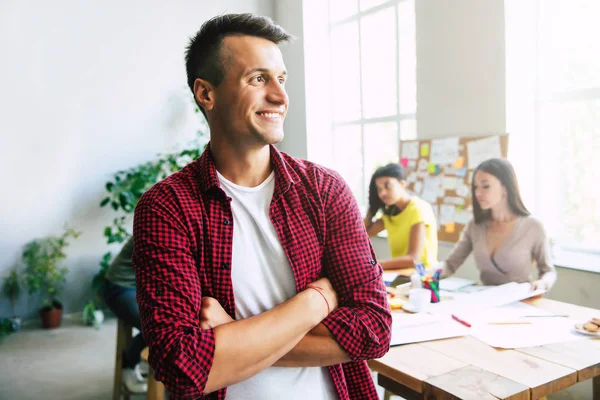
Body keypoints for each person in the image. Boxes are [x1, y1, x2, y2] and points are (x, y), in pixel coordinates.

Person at [132, 13, 391, 400]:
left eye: (281, 79)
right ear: (206, 93)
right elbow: (180, 365)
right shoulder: (167, 207)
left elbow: (374, 331)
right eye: (258, 78)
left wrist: (233, 332)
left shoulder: (324, 191)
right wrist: (315, 301)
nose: (280, 96)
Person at [441, 158, 557, 290]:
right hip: (485, 300)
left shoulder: (533, 226)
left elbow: (548, 271)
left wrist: (542, 283)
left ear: (505, 187)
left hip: (520, 300)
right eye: (475, 187)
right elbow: (450, 264)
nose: (478, 193)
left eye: (485, 186)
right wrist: (430, 273)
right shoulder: (475, 226)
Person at [364, 163, 439, 270]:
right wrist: (372, 208)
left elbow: (413, 259)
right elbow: (361, 235)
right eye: (379, 189)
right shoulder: (389, 214)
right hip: (400, 275)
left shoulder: (418, 209)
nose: (383, 193)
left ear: (403, 184)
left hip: (424, 277)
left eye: (387, 186)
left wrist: (372, 264)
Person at [102, 237, 148, 393]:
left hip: (139, 287)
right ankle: (129, 364)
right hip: (120, 287)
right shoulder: (154, 225)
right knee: (155, 325)